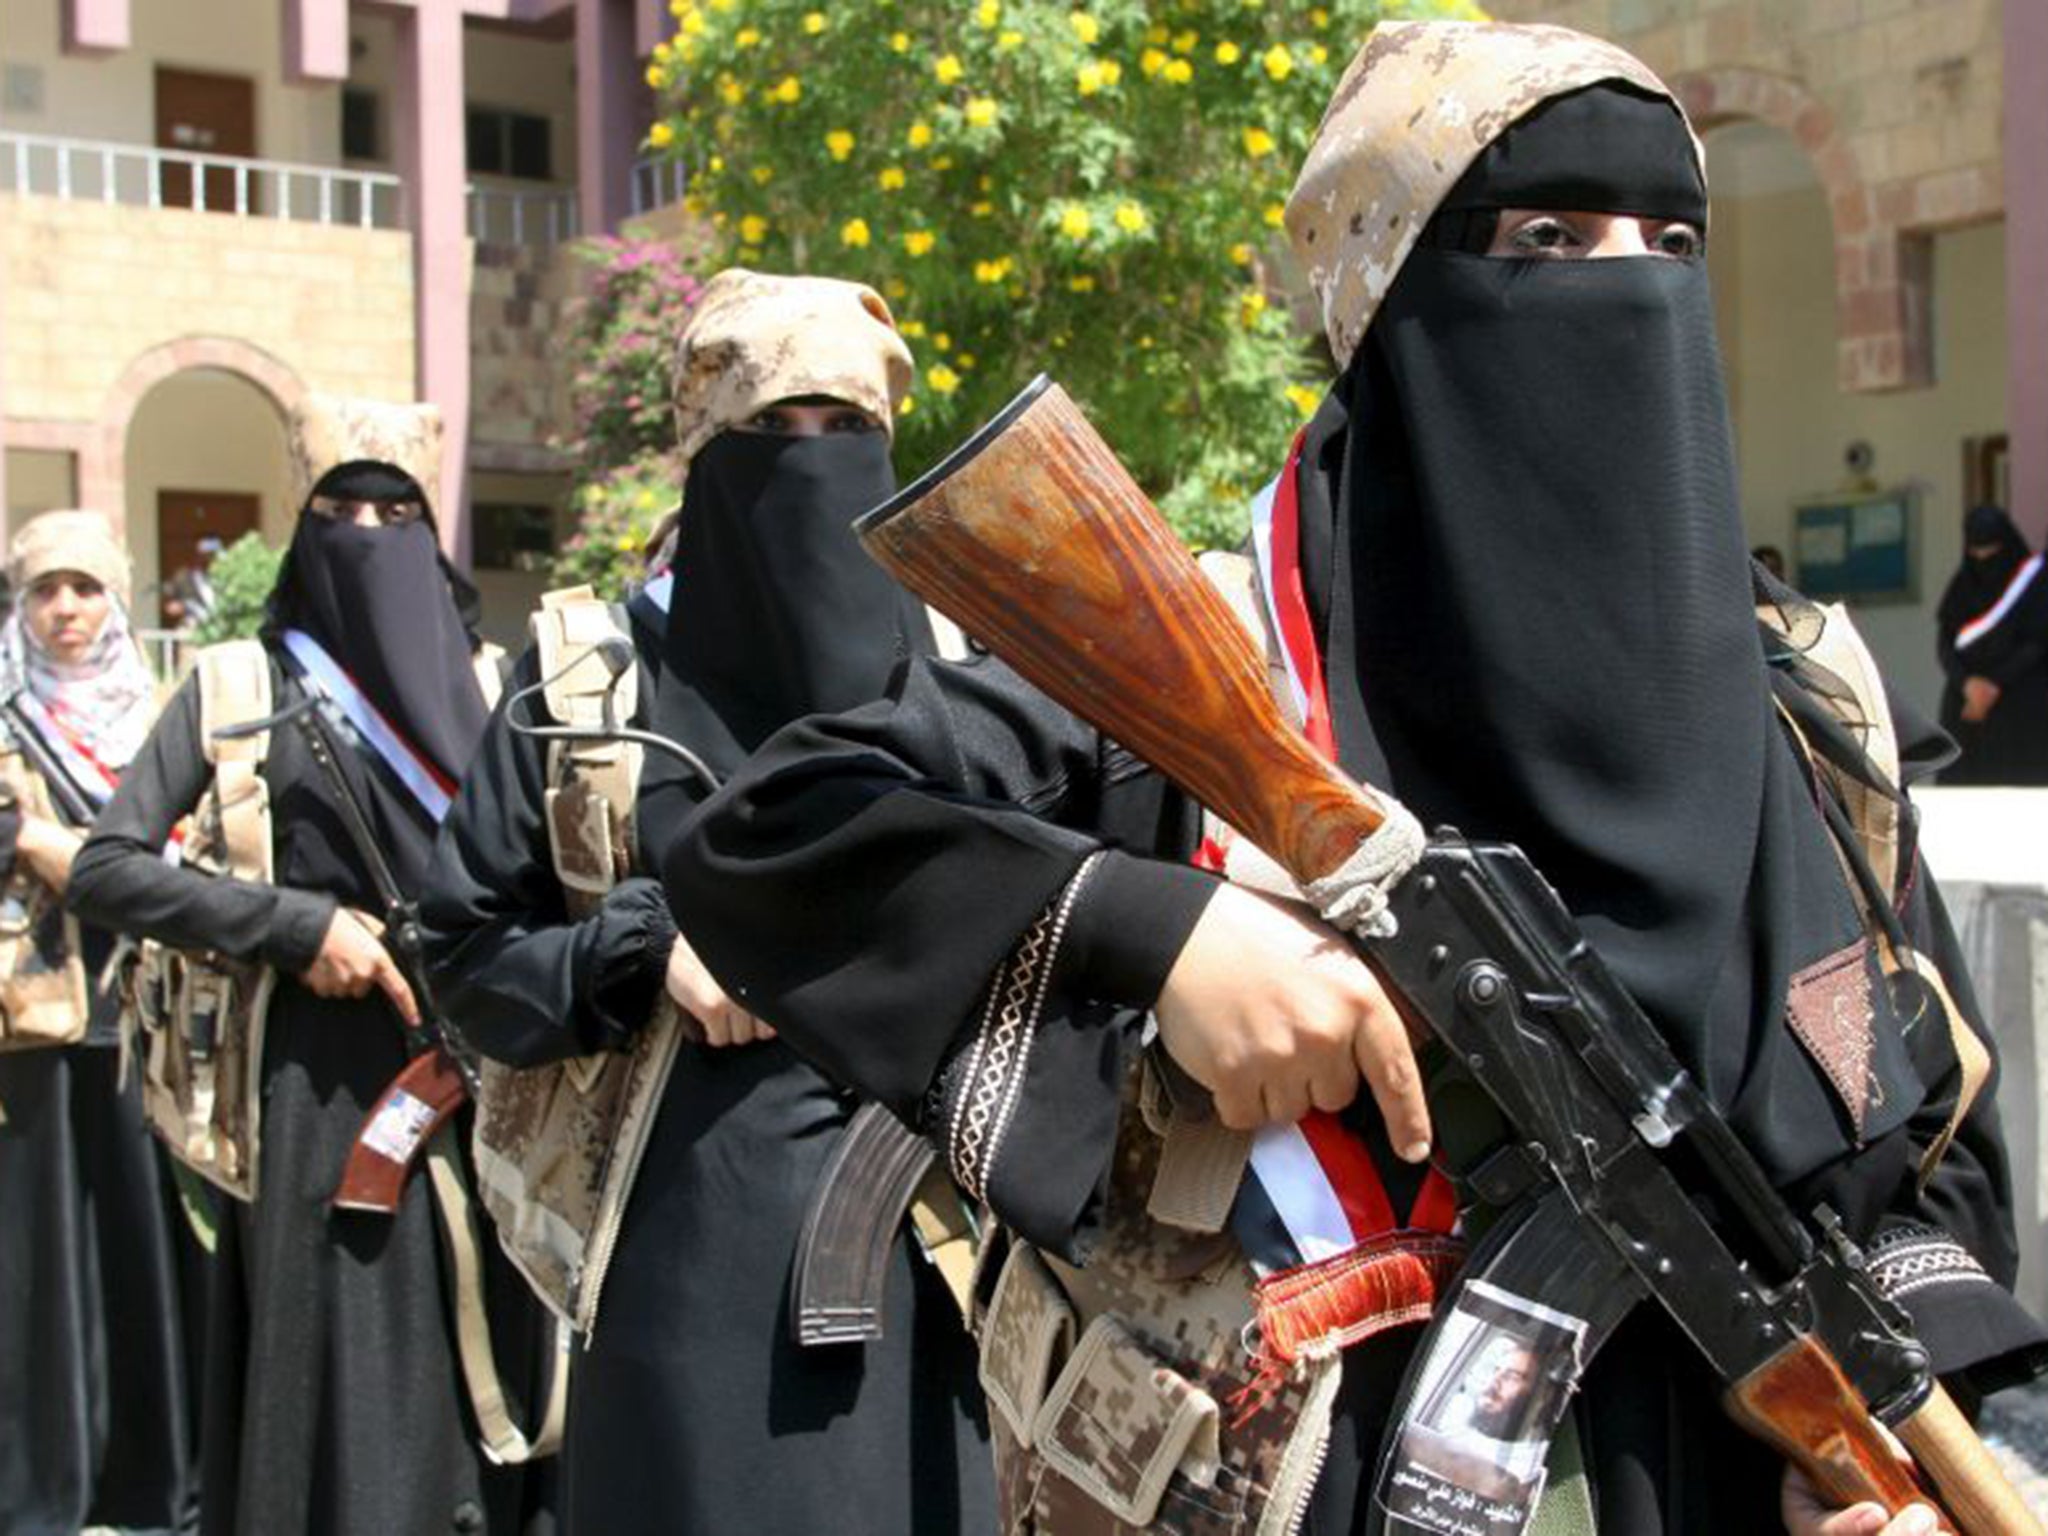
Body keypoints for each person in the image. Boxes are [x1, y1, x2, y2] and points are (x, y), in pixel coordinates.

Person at [661, 23, 2043, 1536]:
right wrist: (1158, 930)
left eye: (1669, 242)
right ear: (1390, 293)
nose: (1625, 286)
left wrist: (1918, 1455)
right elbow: (772, 836)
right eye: (1547, 236)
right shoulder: (1210, 668)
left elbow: (1937, 1164)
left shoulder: (1801, 696)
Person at [421, 269, 993, 1535]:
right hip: (679, 1244)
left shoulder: (965, 659)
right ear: (702, 452)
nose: (810, 463)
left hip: (947, 1247)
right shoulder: (589, 678)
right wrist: (643, 953)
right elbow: (460, 944)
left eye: (847, 431)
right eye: (767, 432)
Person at [69, 399, 554, 1536]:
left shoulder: (495, 682)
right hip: (311, 1086)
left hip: (487, 1072)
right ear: (304, 525)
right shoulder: (241, 684)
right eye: (341, 510)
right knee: (336, 1356)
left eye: (398, 512)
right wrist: (295, 928)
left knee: (495, 1356)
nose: (368, 532)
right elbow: (107, 868)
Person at [0, 510, 199, 1536]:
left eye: (83, 588)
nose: (65, 610)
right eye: (44, 591)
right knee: (39, 1257)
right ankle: (42, 1490)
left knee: (146, 1242)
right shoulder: (5, 717)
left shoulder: (163, 714)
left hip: (150, 1012)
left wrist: (46, 842)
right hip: (35, 1020)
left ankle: (156, 1478)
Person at [1936, 503, 2048, 785]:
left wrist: (1993, 684)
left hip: (2019, 706)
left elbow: (2036, 642)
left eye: (1991, 549)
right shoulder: (1962, 585)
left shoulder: (2034, 582)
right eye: (1976, 550)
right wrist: (1967, 684)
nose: (1984, 558)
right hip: (1966, 709)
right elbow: (1946, 643)